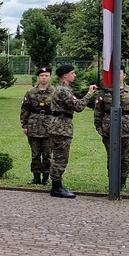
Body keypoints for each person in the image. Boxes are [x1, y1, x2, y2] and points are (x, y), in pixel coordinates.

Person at [48, 64, 97, 199]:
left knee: (59, 156)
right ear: (65, 75)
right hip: (61, 128)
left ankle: (57, 185)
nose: (75, 75)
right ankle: (56, 188)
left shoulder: (64, 89)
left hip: (60, 126)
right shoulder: (63, 90)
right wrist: (89, 93)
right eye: (72, 73)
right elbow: (78, 106)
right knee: (60, 157)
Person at [93, 67, 129, 191]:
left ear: (124, 75)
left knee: (124, 157)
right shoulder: (105, 92)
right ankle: (112, 181)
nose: (117, 76)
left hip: (127, 129)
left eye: (119, 73)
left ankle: (122, 182)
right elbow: (98, 111)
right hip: (108, 129)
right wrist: (98, 127)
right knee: (111, 156)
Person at [19, 66, 55, 185]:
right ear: (38, 77)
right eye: (41, 76)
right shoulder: (30, 92)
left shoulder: (55, 92)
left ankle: (45, 178)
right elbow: (25, 109)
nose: (44, 78)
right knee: (35, 154)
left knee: (47, 154)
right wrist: (24, 125)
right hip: (33, 125)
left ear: (50, 77)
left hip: (49, 126)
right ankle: (35, 177)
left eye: (46, 76)